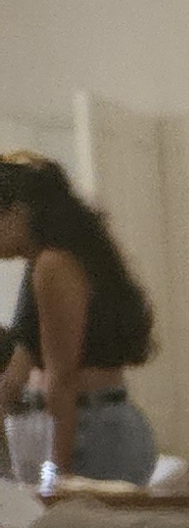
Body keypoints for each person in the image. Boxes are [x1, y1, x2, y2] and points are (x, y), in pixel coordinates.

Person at [0, 152, 161, 484]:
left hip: (92, 430)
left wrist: (55, 472)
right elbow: (21, 365)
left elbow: (63, 376)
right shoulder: (49, 262)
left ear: (15, 213)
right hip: (97, 422)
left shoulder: (53, 264)